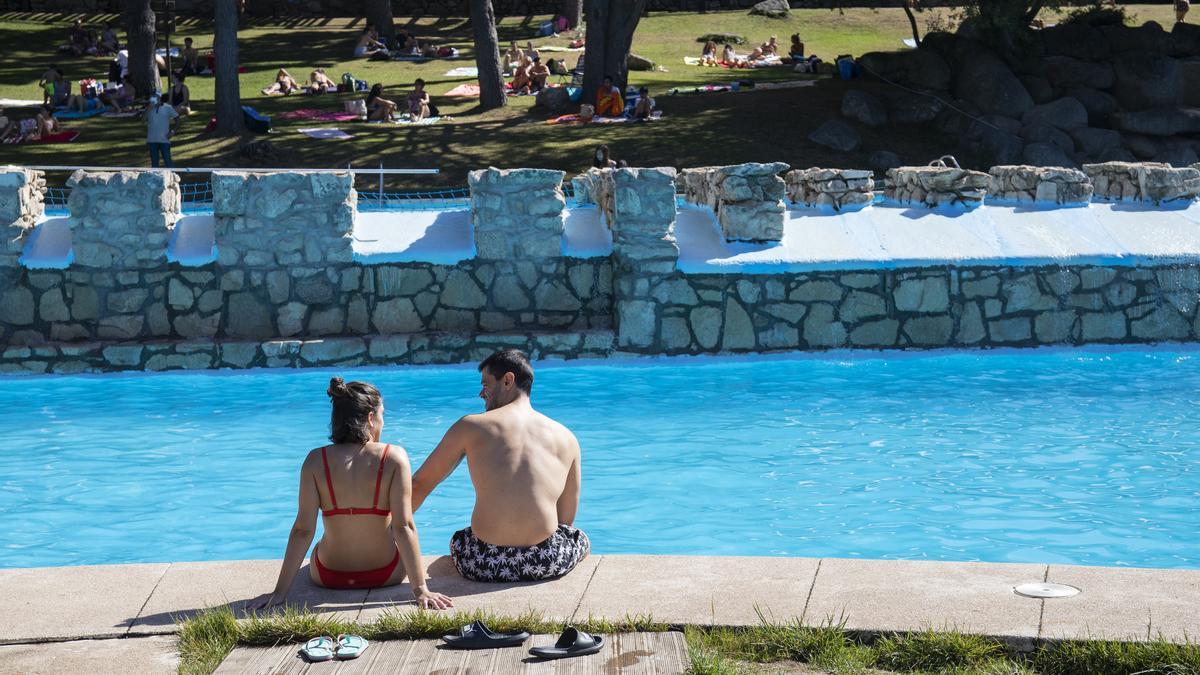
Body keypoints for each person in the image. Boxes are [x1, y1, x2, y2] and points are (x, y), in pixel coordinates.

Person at [251, 378, 453, 610]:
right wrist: (421, 590)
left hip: (328, 576)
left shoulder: (316, 460)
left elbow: (302, 530)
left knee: (321, 544)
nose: (382, 422)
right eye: (382, 415)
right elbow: (403, 526)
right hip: (387, 574)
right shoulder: (394, 457)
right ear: (370, 418)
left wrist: (279, 593)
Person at [412, 350, 590, 583]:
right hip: (546, 561)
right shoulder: (566, 437)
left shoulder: (470, 426)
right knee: (580, 539)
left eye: (486, 385)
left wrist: (388, 528)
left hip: (481, 562)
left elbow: (420, 483)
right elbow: (565, 521)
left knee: (459, 539)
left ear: (508, 380)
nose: (480, 393)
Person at [145, 92, 179, 168]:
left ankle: (173, 177)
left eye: (155, 97)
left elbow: (177, 119)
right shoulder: (149, 108)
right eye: (152, 98)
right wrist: (148, 109)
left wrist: (173, 132)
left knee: (168, 161)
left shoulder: (168, 108)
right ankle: (155, 178)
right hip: (152, 140)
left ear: (159, 98)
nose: (153, 99)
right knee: (154, 163)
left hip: (164, 140)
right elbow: (142, 120)